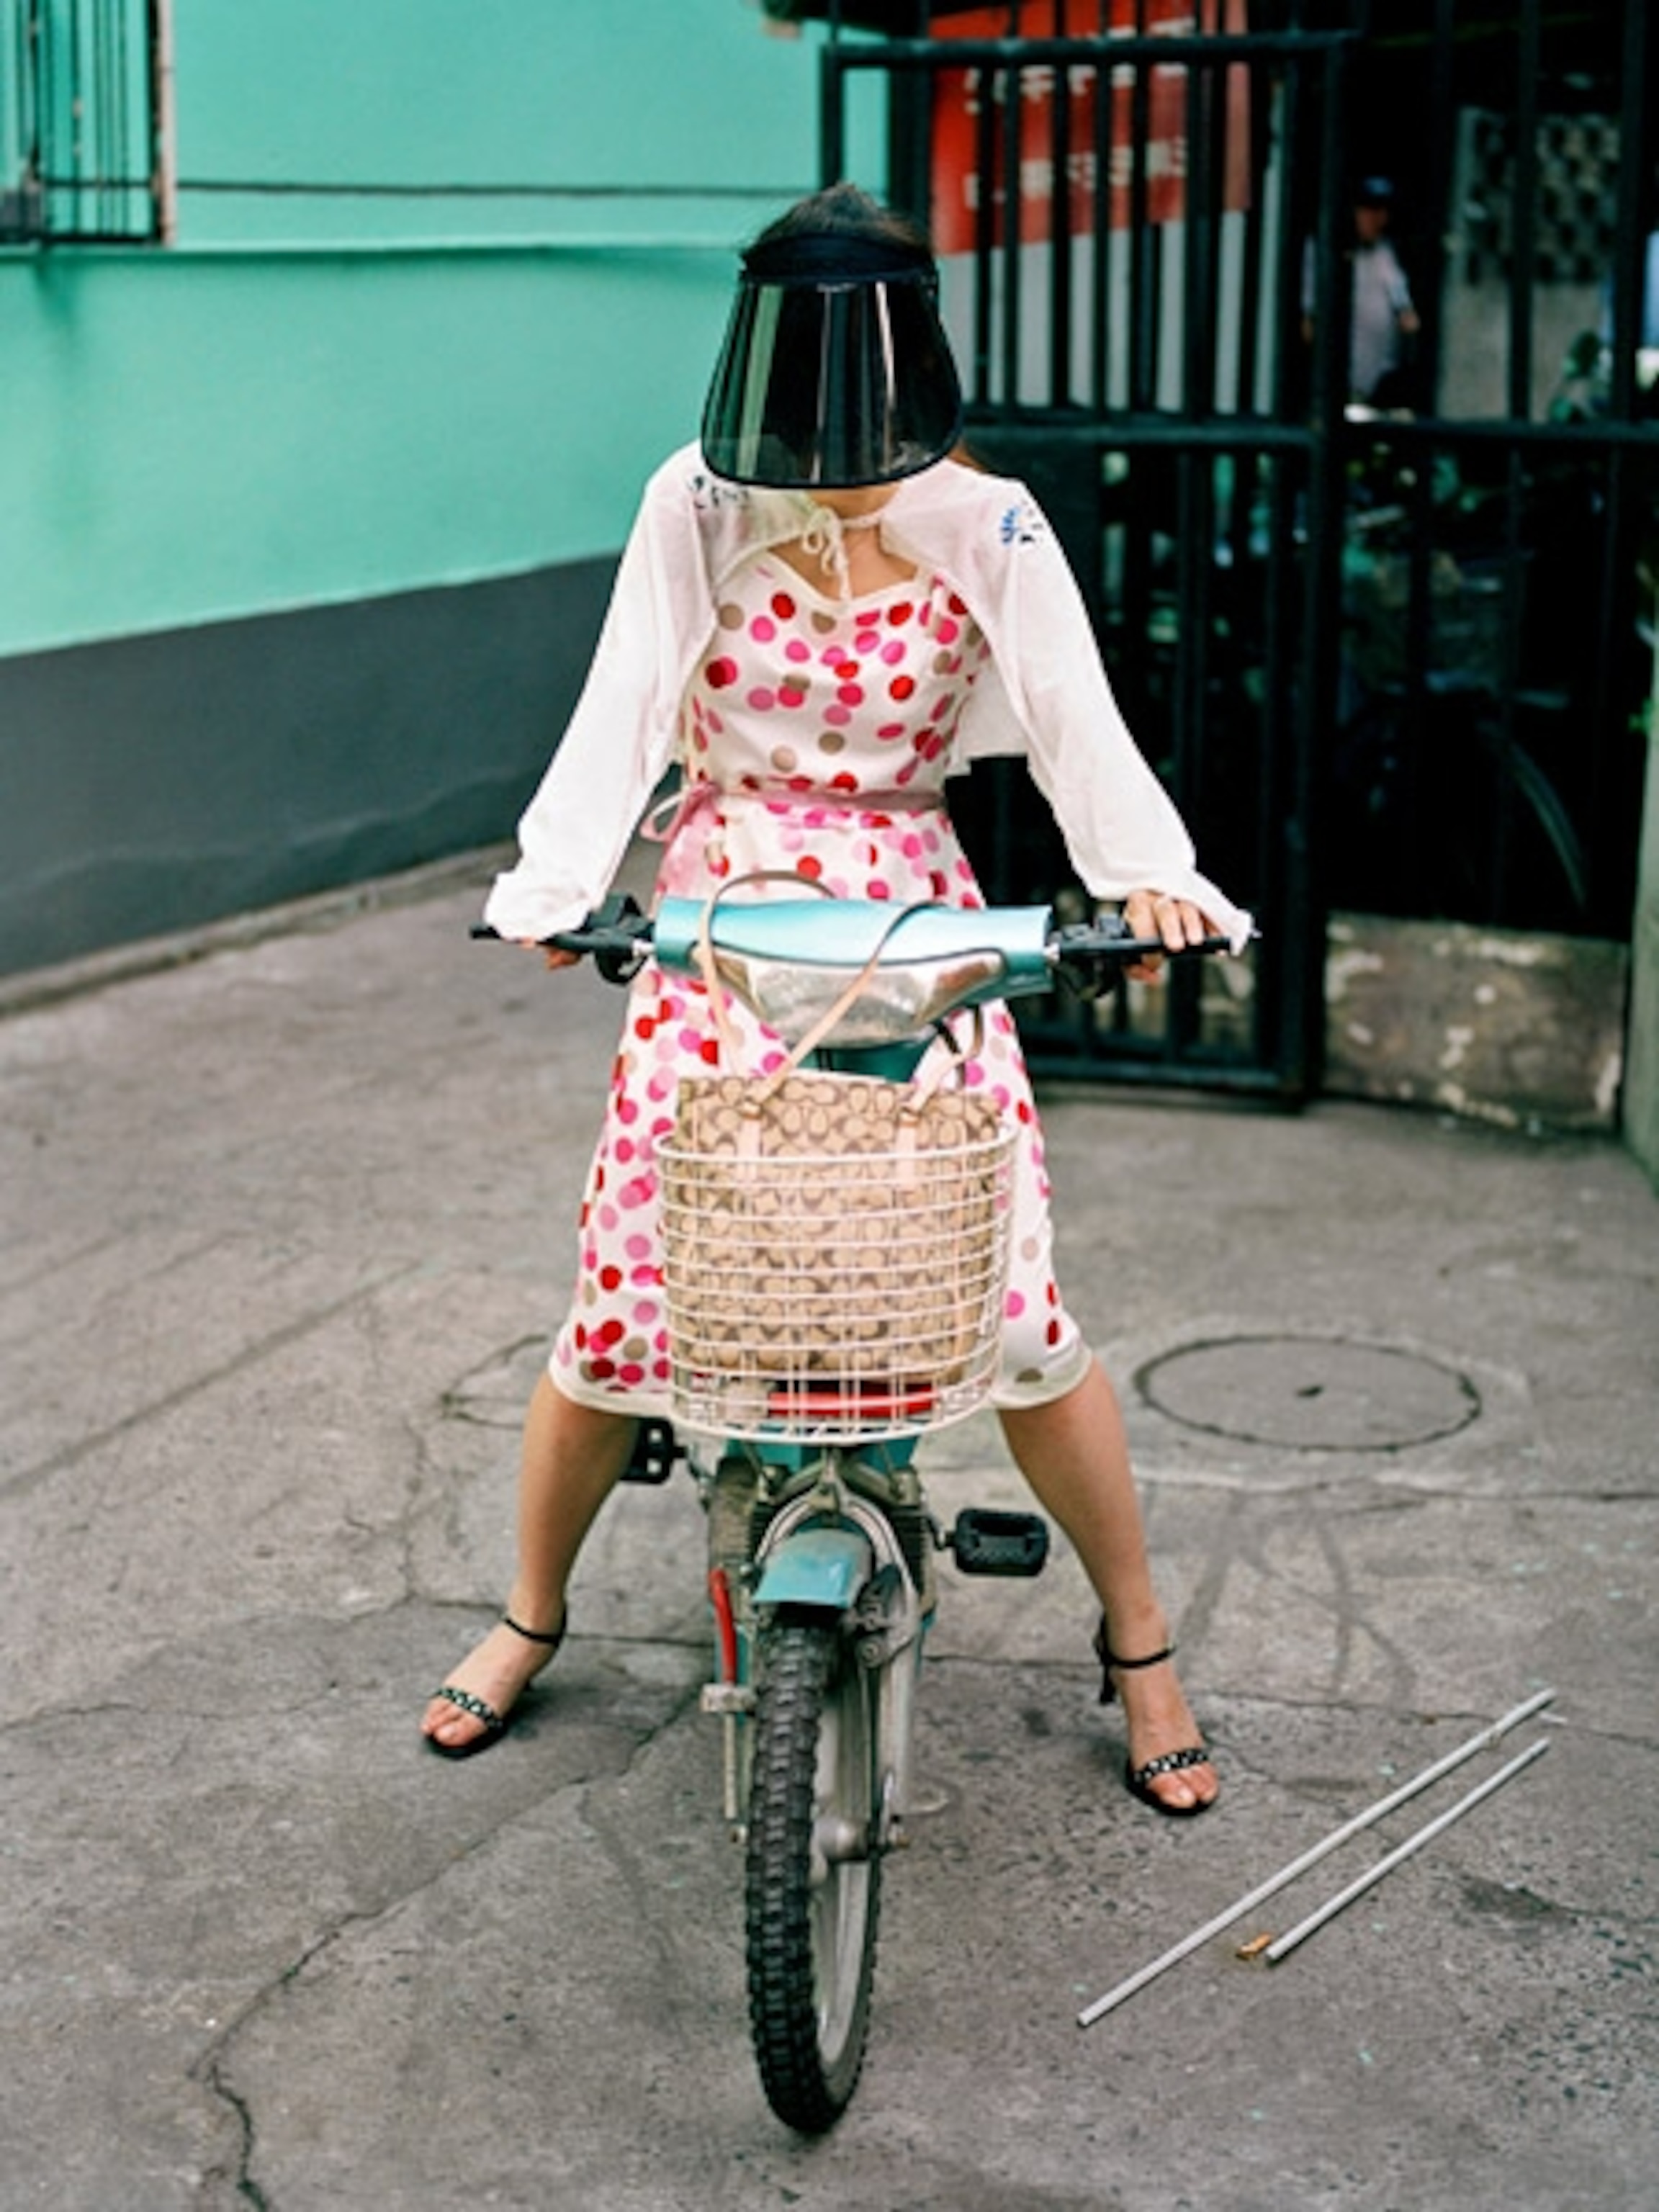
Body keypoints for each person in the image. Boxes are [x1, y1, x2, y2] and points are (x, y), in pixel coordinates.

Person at [421, 184, 1253, 1815]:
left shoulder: (991, 521)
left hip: (914, 915)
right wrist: (554, 880)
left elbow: (1081, 726)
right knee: (631, 1299)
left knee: (1009, 1303)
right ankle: (530, 1610)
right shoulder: (695, 496)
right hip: (720, 910)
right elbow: (618, 704)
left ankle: (1140, 1638)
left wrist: (1149, 872)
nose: (816, 463)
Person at [1303, 176, 1421, 407]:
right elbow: (1309, 317)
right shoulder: (1323, 251)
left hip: (1380, 375)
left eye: (1383, 212)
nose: (1379, 219)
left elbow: (1403, 304)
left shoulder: (1385, 254)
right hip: (1338, 376)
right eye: (1371, 210)